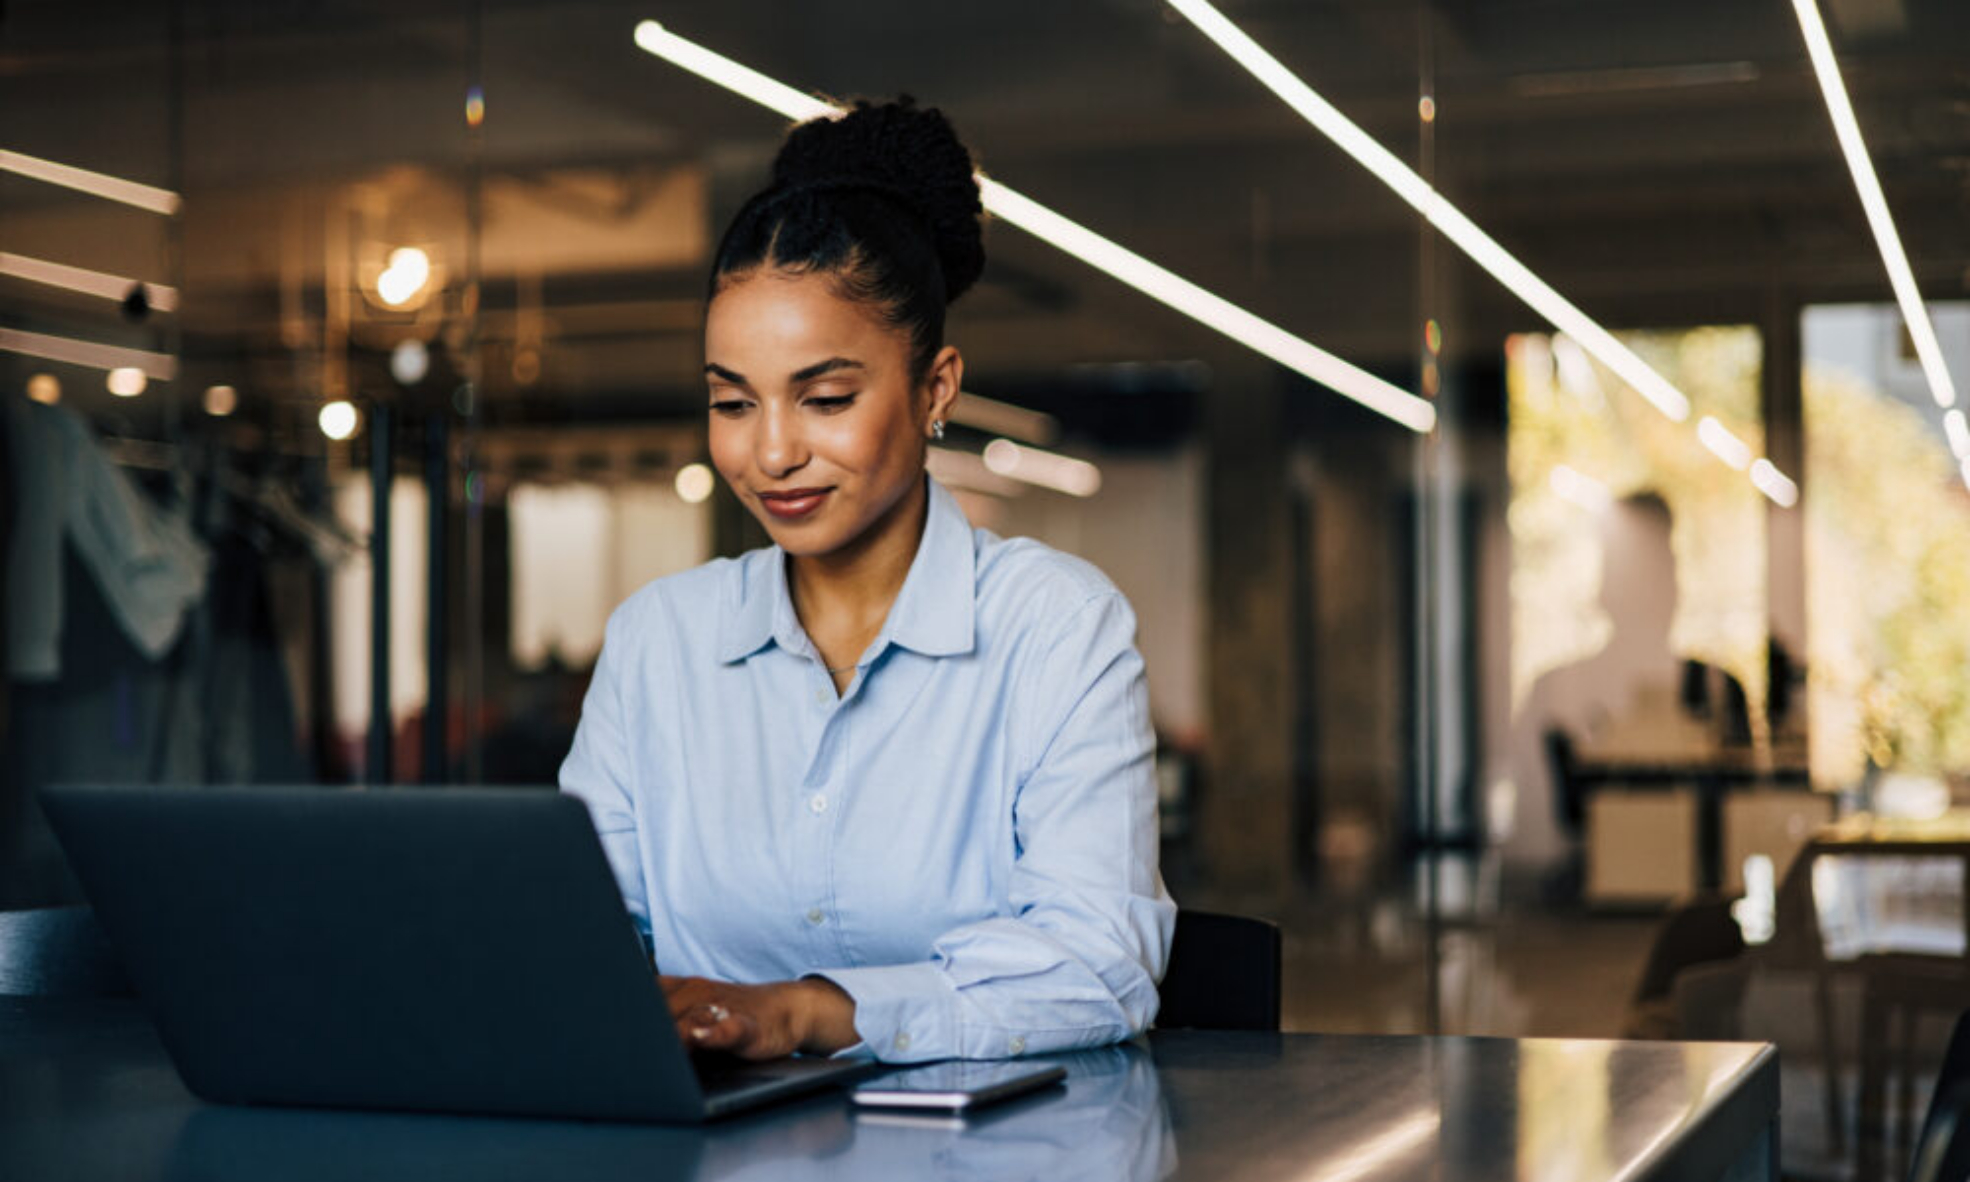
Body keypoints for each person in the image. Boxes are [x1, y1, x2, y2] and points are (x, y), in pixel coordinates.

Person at [558, 99, 1175, 1064]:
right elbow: (574, 943)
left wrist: (804, 1012)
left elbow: (1097, 962)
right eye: (731, 401)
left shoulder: (1055, 629)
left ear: (935, 390)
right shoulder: (658, 643)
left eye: (827, 398)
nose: (771, 452)